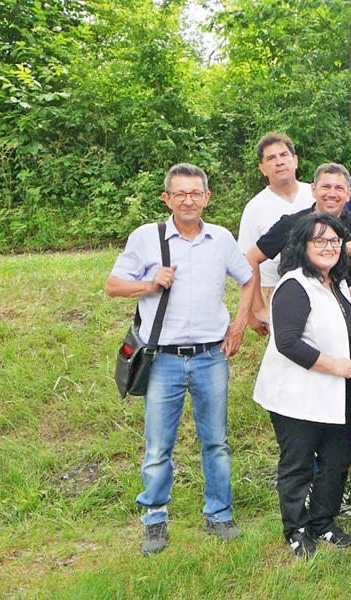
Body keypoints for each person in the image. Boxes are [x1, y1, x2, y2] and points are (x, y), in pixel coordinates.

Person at [105, 163, 253, 554]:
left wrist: (238, 324)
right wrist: (150, 283)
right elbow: (113, 286)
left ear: (207, 197)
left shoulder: (221, 239)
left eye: (196, 193)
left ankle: (219, 515)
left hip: (211, 356)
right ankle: (154, 520)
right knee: (158, 445)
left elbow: (248, 278)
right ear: (166, 199)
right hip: (163, 360)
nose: (188, 200)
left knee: (216, 441)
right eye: (180, 194)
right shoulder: (146, 238)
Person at [253, 213, 351, 558]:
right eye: (320, 240)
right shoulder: (294, 285)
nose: (329, 247)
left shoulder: (336, 283)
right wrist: (336, 366)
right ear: (303, 245)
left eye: (335, 241)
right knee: (298, 464)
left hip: (334, 395)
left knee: (338, 458)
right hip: (296, 397)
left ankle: (323, 523)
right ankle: (296, 531)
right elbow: (288, 342)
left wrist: (350, 301)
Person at [246, 163, 351, 332]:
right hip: (300, 318)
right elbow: (251, 258)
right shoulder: (291, 224)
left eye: (339, 188)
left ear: (348, 194)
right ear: (313, 190)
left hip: (344, 319)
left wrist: (339, 249)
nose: (332, 194)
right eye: (326, 187)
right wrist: (258, 308)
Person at [237, 133, 315, 311]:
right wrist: (256, 309)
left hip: (318, 283)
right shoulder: (254, 208)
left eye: (284, 155)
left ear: (295, 160)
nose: (279, 162)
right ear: (262, 168)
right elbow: (246, 261)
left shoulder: (316, 194)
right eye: (271, 158)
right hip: (275, 288)